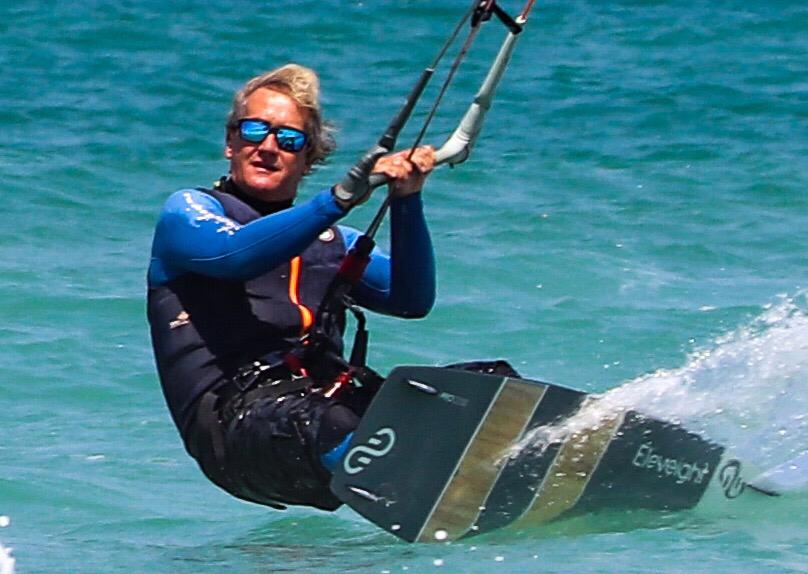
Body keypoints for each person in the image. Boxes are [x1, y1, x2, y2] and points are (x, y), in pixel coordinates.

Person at [147, 64, 436, 510]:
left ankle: (531, 466)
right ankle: (422, 494)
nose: (267, 146)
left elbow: (411, 299)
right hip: (233, 431)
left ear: (308, 158)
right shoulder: (188, 213)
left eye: (288, 139)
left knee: (470, 387)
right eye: (253, 130)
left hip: (317, 411)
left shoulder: (335, 244)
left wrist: (407, 199)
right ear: (230, 142)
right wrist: (337, 199)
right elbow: (236, 255)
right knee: (334, 422)